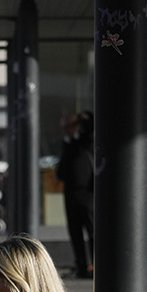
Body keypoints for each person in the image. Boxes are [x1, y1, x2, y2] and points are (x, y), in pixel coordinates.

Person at [55, 111, 95, 278]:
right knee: (75, 232)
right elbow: (63, 168)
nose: (66, 131)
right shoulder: (69, 144)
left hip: (87, 193)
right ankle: (81, 265)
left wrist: (82, 118)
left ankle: (94, 265)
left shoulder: (86, 141)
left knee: (92, 230)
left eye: (68, 127)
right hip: (71, 193)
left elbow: (91, 126)